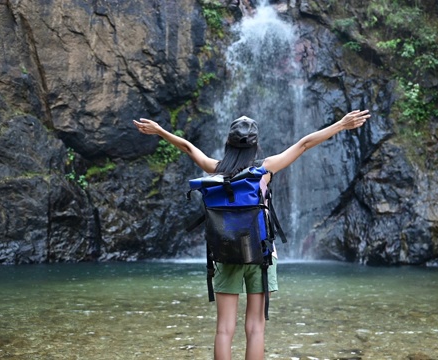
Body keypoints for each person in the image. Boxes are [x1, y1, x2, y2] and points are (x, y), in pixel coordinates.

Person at [133, 109, 370, 360]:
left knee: (224, 329)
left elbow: (189, 148)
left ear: (228, 144)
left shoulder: (215, 169)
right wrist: (341, 125)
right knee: (256, 328)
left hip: (225, 253)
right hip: (261, 254)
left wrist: (160, 131)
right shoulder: (264, 169)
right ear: (255, 146)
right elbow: (304, 144)